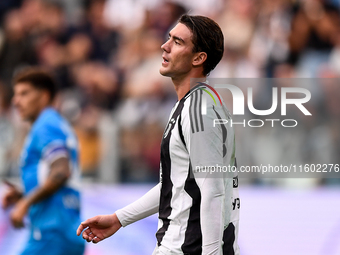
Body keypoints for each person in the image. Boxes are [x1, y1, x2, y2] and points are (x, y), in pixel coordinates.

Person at [77, 14, 240, 255]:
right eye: (169, 38)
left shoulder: (199, 111)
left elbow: (213, 190)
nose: (165, 46)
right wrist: (119, 219)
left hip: (185, 248)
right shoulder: (196, 103)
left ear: (199, 58)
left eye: (177, 42)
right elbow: (176, 183)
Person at [2, 67, 85, 255]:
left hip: (51, 232)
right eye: (15, 95)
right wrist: (24, 194)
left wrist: (25, 203)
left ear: (44, 96)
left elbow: (61, 171)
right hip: (63, 230)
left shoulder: (45, 125)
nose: (16, 101)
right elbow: (55, 176)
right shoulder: (54, 124)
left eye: (24, 93)